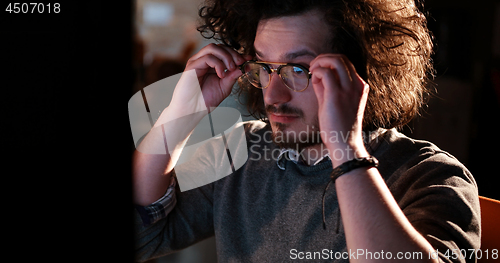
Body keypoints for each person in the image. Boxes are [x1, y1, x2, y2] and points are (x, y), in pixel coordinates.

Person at [133, 0, 480, 262]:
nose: (273, 94)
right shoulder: (242, 150)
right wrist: (179, 115)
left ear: (360, 74)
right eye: (265, 66)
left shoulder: (430, 176)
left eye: (298, 69)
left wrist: (345, 150)